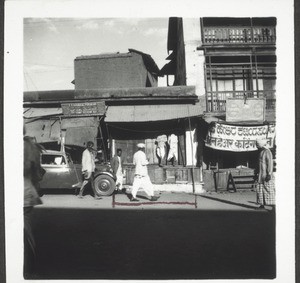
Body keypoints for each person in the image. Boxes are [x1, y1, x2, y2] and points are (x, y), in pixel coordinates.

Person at [24, 129, 44, 276]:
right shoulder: (29, 146)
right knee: (25, 232)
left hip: (19, 194)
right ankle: (30, 268)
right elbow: (37, 174)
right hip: (24, 194)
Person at [255, 138, 275, 209]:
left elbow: (270, 163)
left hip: (266, 175)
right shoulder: (261, 152)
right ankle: (262, 205)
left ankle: (274, 206)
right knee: (260, 190)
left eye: (257, 145)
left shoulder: (267, 152)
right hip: (261, 175)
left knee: (268, 190)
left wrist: (269, 173)